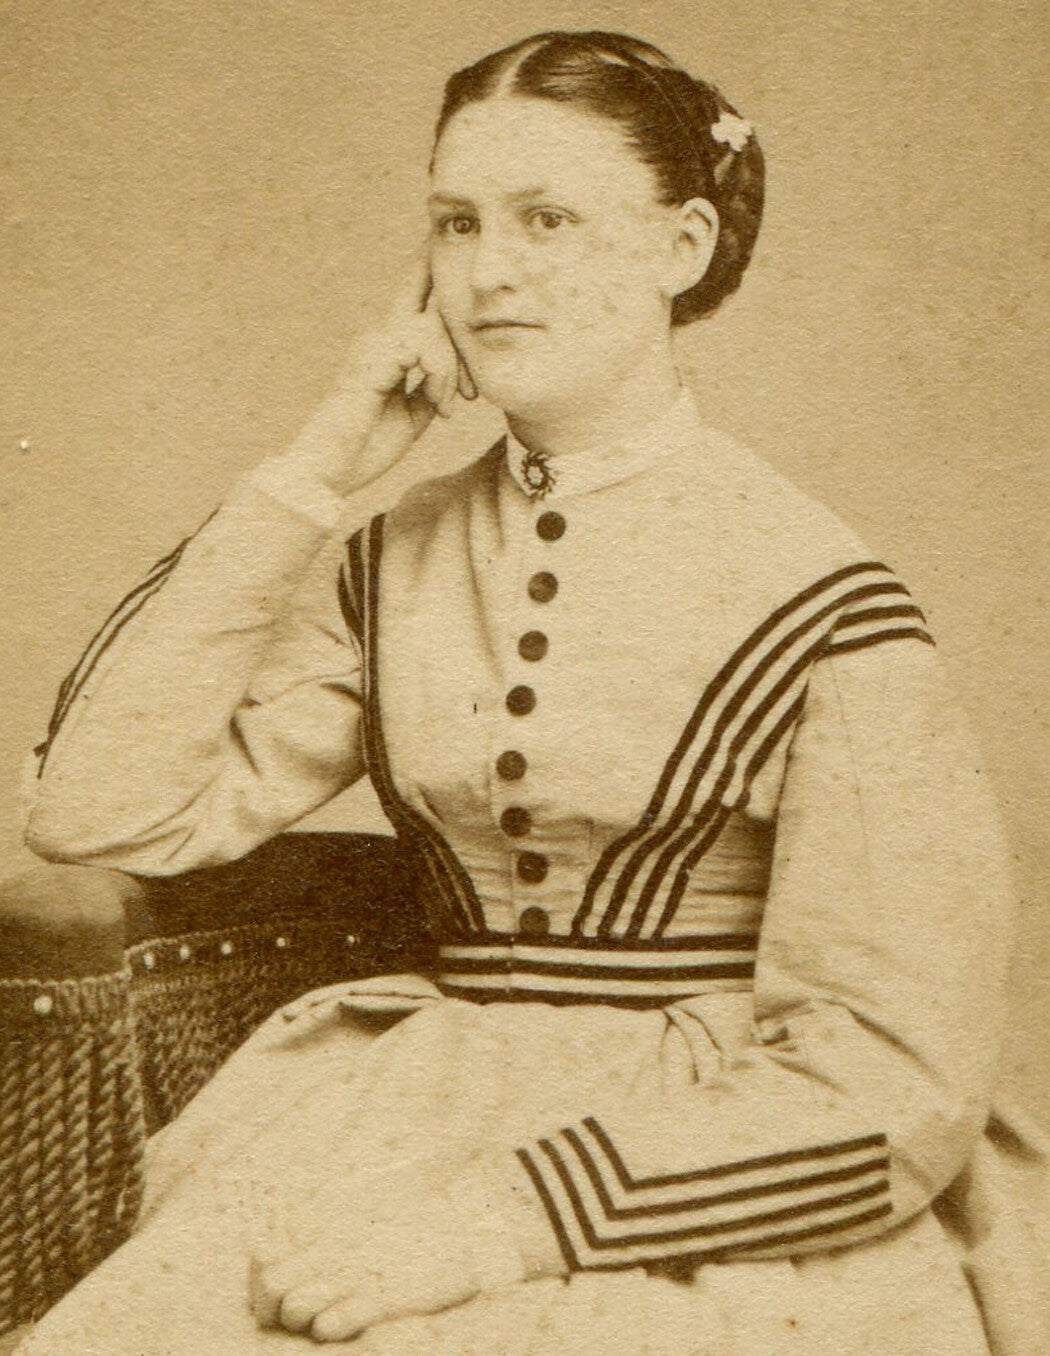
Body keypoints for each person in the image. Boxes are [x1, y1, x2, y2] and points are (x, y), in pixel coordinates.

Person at [15, 28, 1049, 1356]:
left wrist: (494, 1226)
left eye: (546, 219)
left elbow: (895, 1076)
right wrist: (320, 464)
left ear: (680, 247)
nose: (488, 273)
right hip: (402, 1113)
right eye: (455, 223)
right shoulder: (397, 557)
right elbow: (99, 817)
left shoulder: (820, 598)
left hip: (709, 1175)